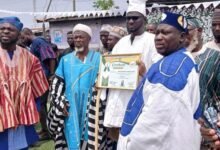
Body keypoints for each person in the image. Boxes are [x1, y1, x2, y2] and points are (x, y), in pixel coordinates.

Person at [117, 12, 201, 150]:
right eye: (157, 33)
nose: (158, 38)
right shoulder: (179, 59)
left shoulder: (170, 68)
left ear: (182, 37)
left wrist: (128, 144)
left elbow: (154, 128)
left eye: (165, 33)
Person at [103, 0, 160, 142]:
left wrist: (144, 72)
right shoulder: (121, 42)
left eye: (135, 18)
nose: (131, 21)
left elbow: (159, 77)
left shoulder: (153, 42)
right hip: (118, 102)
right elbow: (111, 72)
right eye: (128, 18)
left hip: (140, 104)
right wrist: (104, 74)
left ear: (144, 20)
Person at [47, 23, 100, 150]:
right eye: (76, 38)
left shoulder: (99, 58)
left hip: (91, 105)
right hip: (70, 106)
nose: (78, 40)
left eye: (81, 37)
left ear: (89, 39)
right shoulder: (65, 60)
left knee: (91, 135)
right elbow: (57, 84)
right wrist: (61, 101)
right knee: (70, 136)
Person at [0, 16, 49, 149]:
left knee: (20, 146)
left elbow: (38, 87)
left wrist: (35, 109)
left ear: (19, 34)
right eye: (2, 28)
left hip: (22, 115)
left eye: (10, 29)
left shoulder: (30, 58)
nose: (5, 31)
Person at [186, 17, 220, 149]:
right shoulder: (177, 59)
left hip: (208, 131)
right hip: (182, 130)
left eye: (187, 30)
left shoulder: (214, 57)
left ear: (199, 31)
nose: (183, 35)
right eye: (180, 32)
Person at [20, 27, 56, 140]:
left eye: (22, 37)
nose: (22, 40)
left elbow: (51, 58)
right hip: (38, 79)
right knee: (41, 105)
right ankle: (45, 129)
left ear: (27, 34)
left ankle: (47, 131)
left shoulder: (39, 42)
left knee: (41, 105)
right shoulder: (34, 44)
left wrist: (51, 74)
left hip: (44, 78)